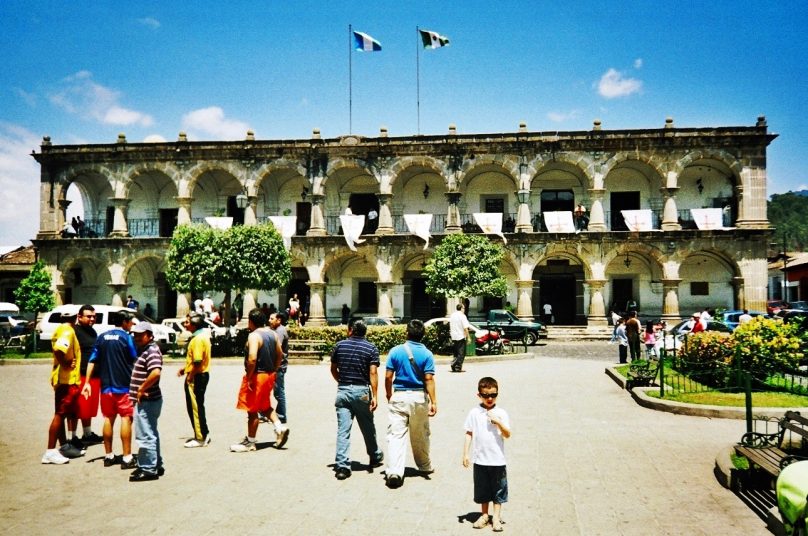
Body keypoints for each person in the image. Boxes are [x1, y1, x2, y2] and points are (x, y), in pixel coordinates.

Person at [384, 319, 437, 489]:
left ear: (406, 332)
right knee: (420, 434)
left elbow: (388, 377)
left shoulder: (395, 351)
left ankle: (394, 472)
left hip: (399, 396)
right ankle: (424, 466)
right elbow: (429, 379)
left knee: (396, 435)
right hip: (419, 397)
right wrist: (434, 401)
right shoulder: (427, 354)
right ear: (423, 335)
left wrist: (388, 393)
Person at [81, 310, 137, 469]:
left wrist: (86, 382)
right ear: (125, 322)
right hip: (124, 386)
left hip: (106, 387)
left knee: (108, 419)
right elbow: (135, 358)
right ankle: (127, 457)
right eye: (131, 322)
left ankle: (109, 455)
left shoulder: (101, 337)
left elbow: (92, 360)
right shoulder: (127, 338)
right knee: (126, 418)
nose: (132, 325)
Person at [330, 319, 384, 480]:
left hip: (343, 390)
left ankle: (342, 466)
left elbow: (333, 368)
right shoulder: (371, 348)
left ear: (350, 330)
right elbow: (373, 373)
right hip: (362, 391)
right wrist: (375, 395)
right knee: (367, 426)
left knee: (343, 430)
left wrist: (342, 381)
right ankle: (374, 456)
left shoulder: (340, 346)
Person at [230, 308, 289, 452]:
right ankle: (279, 427)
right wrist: (274, 369)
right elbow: (280, 354)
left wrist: (249, 378)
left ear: (250, 321)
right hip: (269, 375)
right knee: (265, 405)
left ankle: (250, 441)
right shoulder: (273, 334)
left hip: (257, 375)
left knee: (251, 409)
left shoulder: (254, 336)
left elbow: (252, 358)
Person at [463, 376, 511, 532]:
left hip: (497, 459)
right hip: (480, 459)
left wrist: (498, 421)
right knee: (482, 489)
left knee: (498, 489)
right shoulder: (474, 412)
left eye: (493, 395)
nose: (490, 398)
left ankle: (496, 517)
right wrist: (465, 454)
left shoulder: (501, 413)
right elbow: (469, 432)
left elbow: (507, 434)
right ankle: (484, 515)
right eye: (486, 395)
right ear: (479, 395)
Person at [42, 310, 85, 464]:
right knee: (60, 414)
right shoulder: (68, 330)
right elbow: (59, 349)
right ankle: (50, 451)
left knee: (62, 413)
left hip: (61, 378)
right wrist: (66, 363)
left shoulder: (60, 328)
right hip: (67, 380)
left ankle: (63, 446)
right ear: (76, 318)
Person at [128, 322, 164, 481]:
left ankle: (149, 469)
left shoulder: (151, 351)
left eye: (140, 335)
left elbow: (156, 372)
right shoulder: (145, 349)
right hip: (148, 400)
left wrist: (141, 388)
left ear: (149, 335)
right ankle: (155, 464)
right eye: (135, 334)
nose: (136, 337)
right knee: (151, 433)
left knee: (145, 435)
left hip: (148, 399)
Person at [178, 313, 212, 448]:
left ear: (194, 325)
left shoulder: (197, 339)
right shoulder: (203, 336)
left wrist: (190, 374)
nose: (185, 324)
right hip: (201, 374)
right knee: (199, 405)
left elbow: (198, 361)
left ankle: (200, 437)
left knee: (195, 407)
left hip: (197, 376)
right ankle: (204, 432)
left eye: (187, 322)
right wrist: (185, 368)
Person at [74, 305, 103, 447]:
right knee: (80, 406)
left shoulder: (92, 331)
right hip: (81, 374)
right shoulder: (75, 331)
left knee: (90, 407)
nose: (92, 319)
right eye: (89, 316)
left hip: (94, 375)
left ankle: (87, 433)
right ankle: (72, 437)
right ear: (79, 317)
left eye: (94, 316)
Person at [270, 311, 289, 424]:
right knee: (275, 390)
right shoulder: (276, 330)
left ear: (279, 320)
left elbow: (278, 348)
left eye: (272, 318)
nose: (269, 320)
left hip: (279, 366)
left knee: (279, 392)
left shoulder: (280, 331)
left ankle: (281, 415)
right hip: (277, 365)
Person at [449, 303, 471, 373]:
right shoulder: (462, 316)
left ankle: (454, 366)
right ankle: (457, 366)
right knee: (461, 353)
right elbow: (465, 327)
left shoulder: (452, 315)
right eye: (463, 308)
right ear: (461, 308)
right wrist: (469, 337)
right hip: (460, 336)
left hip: (454, 336)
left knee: (456, 352)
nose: (464, 309)